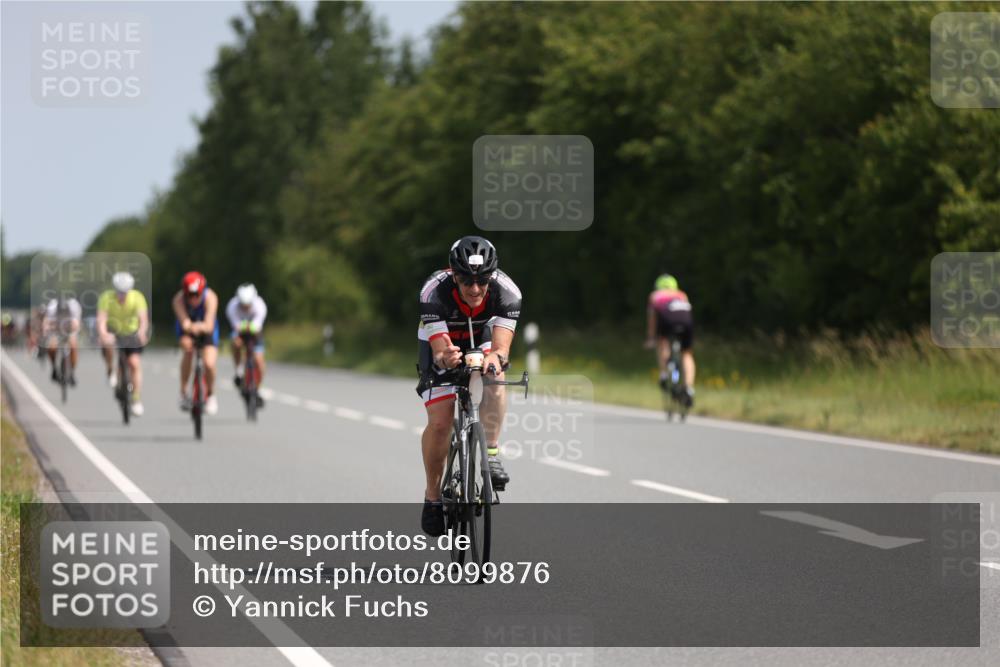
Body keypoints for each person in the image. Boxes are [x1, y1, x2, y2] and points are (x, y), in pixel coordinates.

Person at [416, 236, 521, 536]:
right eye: (466, 281)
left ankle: (490, 452)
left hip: (483, 336)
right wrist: (446, 357)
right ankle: (433, 497)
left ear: (492, 276)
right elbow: (439, 350)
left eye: (482, 281)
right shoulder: (434, 291)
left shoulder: (508, 292)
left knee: (495, 377)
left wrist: (493, 362)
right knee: (440, 422)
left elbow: (501, 349)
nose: (475, 289)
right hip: (444, 340)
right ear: (453, 274)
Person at [97, 272, 150, 416]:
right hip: (113, 330)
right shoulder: (106, 298)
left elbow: (143, 319)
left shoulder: (137, 297)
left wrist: (142, 332)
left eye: (125, 292)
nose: (122, 295)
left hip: (131, 332)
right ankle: (110, 370)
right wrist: (103, 334)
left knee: (134, 363)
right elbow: (101, 320)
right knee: (108, 346)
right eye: (119, 292)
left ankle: (136, 399)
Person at [171, 271, 220, 415]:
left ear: (202, 291)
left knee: (209, 364)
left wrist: (199, 327)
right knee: (187, 350)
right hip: (188, 329)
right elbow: (185, 323)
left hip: (207, 330)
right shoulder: (178, 300)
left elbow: (209, 325)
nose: (193, 299)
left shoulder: (210, 297)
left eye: (197, 295)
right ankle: (183, 391)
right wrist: (191, 328)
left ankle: (211, 395)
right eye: (190, 296)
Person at [646, 274, 695, 406]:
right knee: (686, 353)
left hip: (668, 320)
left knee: (662, 342)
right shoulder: (681, 294)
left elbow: (653, 319)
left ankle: (664, 375)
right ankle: (689, 388)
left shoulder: (655, 295)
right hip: (686, 321)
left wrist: (651, 338)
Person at [226, 282, 267, 406]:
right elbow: (236, 325)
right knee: (236, 343)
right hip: (239, 332)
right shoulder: (232, 306)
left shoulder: (260, 305)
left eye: (248, 305)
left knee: (259, 362)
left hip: (255, 332)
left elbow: (257, 325)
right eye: (243, 305)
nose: (245, 307)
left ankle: (257, 389)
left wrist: (250, 327)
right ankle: (238, 370)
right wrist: (244, 327)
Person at [42, 295, 82, 385]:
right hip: (56, 330)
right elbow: (47, 321)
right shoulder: (52, 307)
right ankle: (54, 368)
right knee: (51, 347)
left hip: (69, 329)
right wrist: (46, 329)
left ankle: (72, 371)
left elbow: (77, 323)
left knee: (73, 346)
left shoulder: (74, 306)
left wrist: (73, 331)